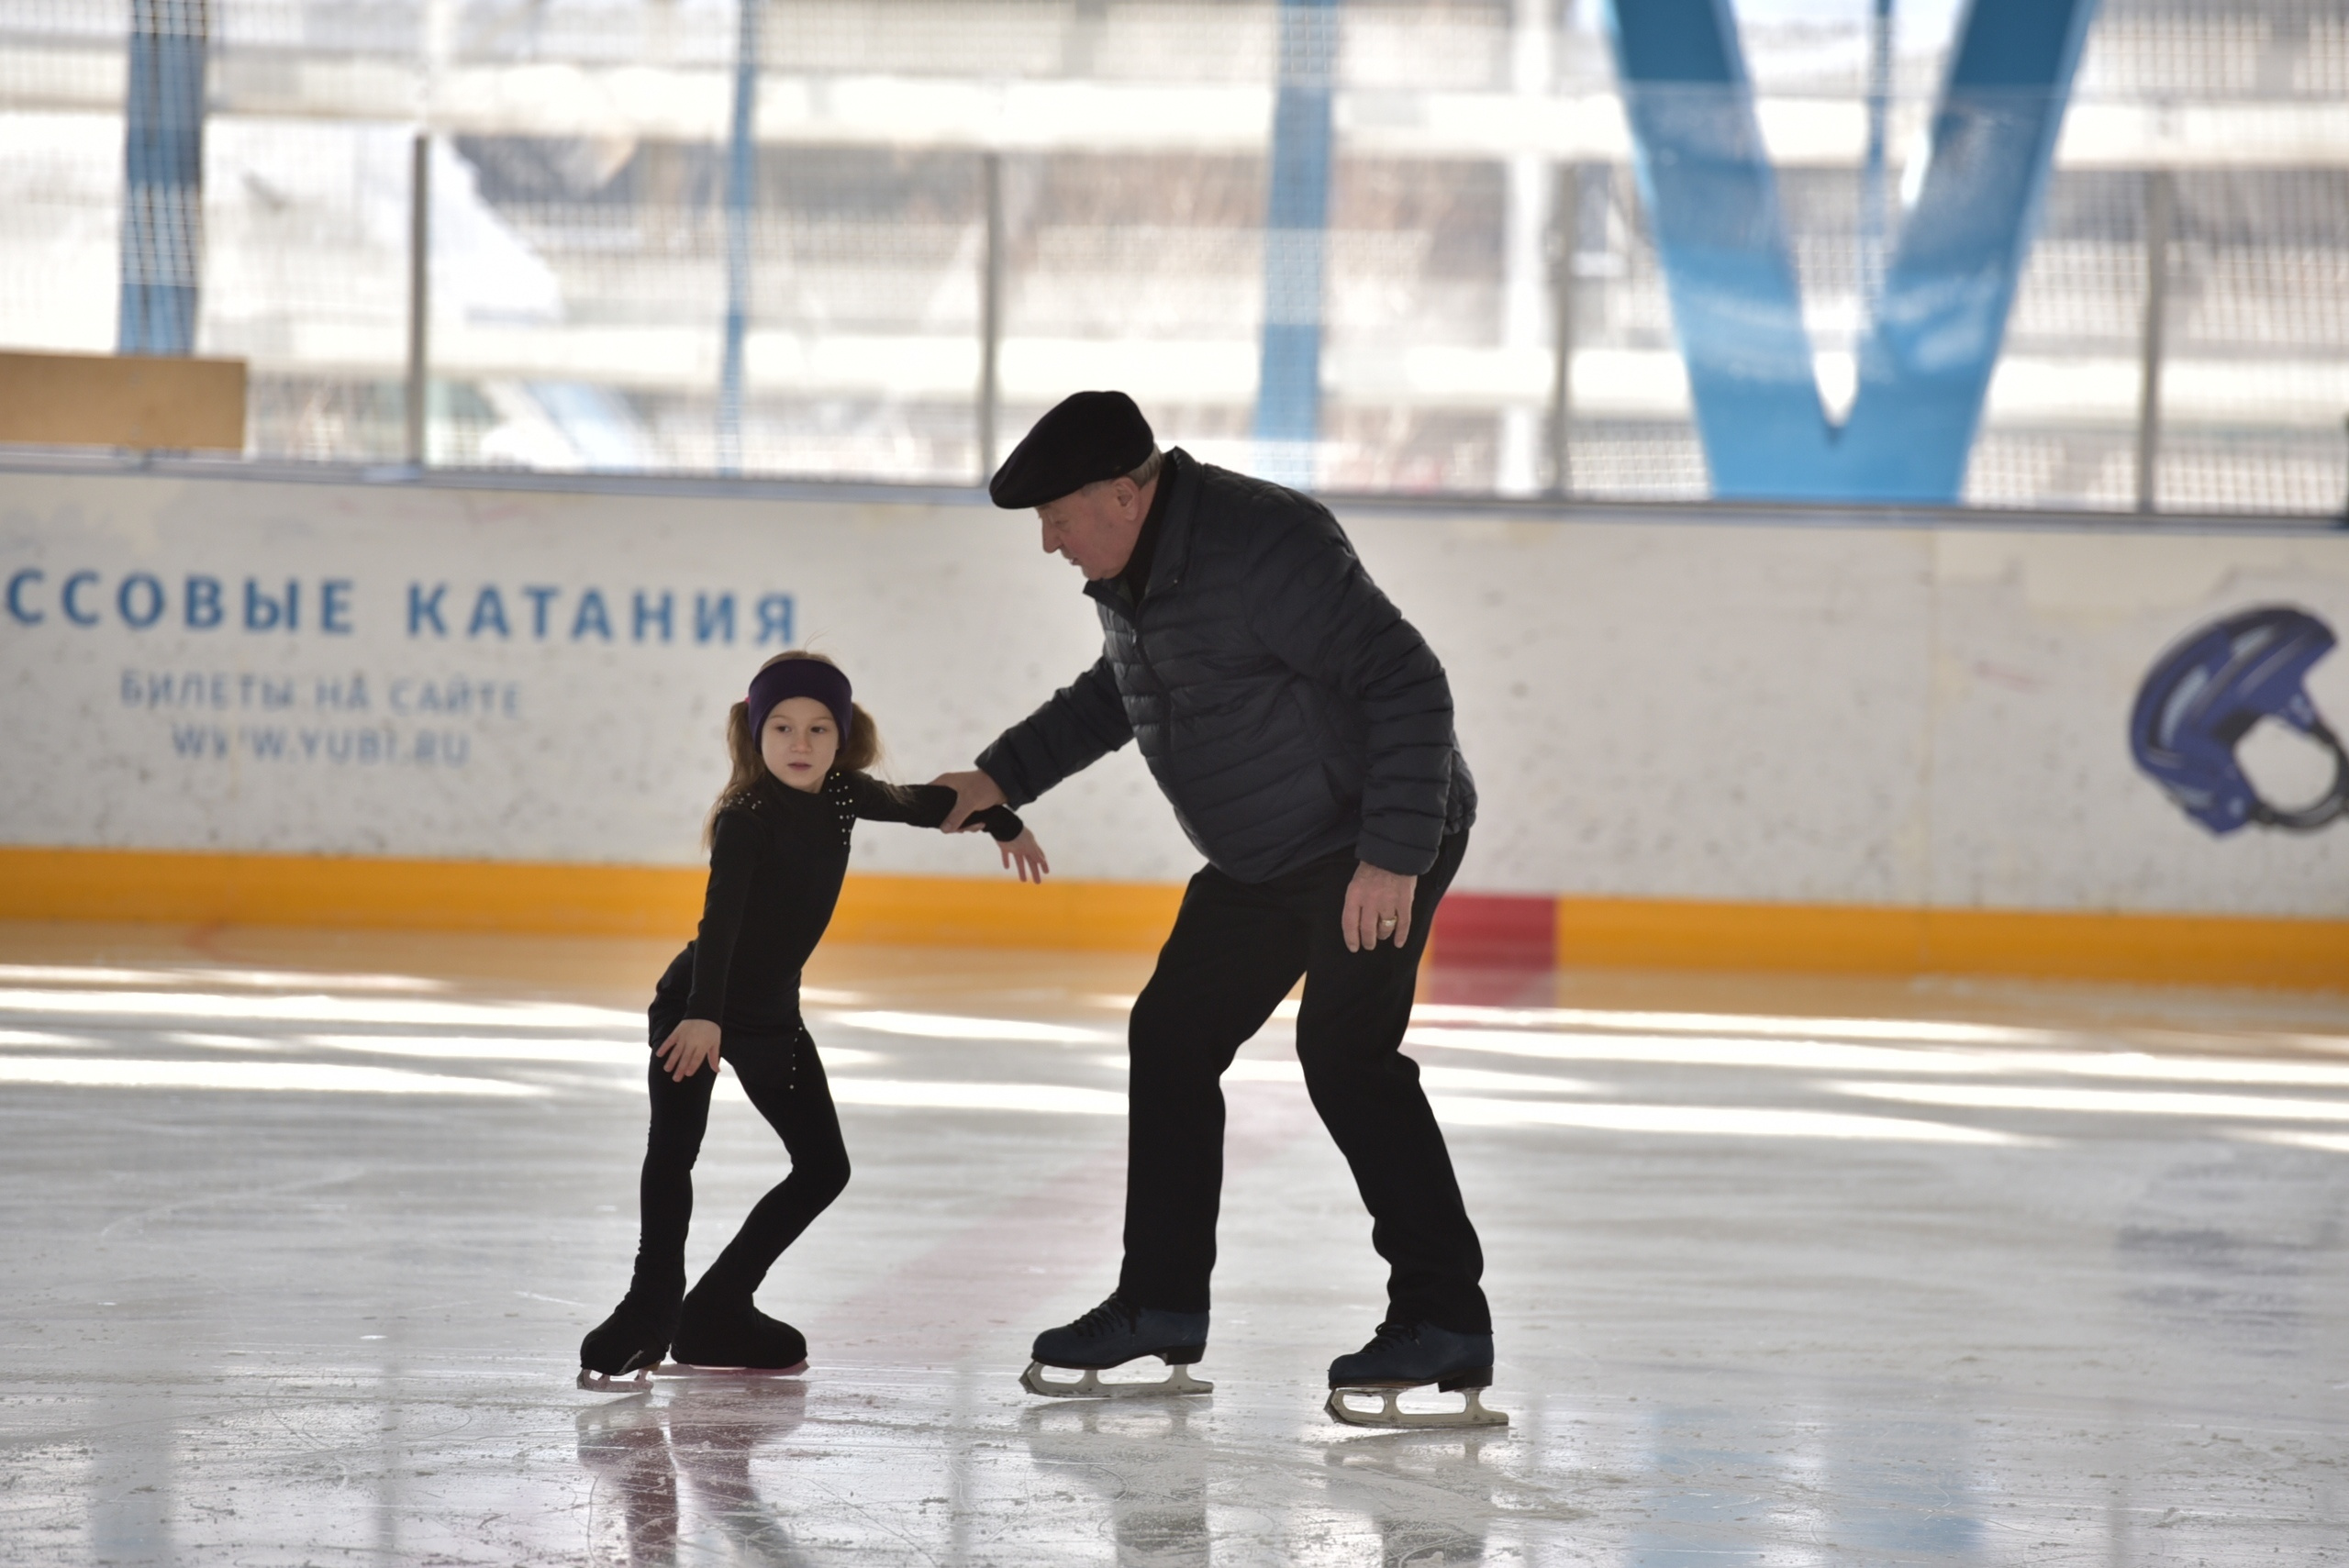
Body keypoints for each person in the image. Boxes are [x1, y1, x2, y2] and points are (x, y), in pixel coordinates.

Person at [930, 391, 1499, 1425]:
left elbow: (1409, 683)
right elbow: (1120, 692)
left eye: (1058, 520)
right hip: (1265, 852)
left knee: (1346, 1055)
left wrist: (1390, 857)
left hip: (1371, 832)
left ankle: (1443, 1315)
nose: (1049, 545)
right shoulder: (1136, 567)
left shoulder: (1263, 541)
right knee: (1173, 1032)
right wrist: (1000, 775)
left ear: (1122, 493)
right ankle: (1158, 1303)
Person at [580, 650, 1047, 1382]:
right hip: (696, 1004)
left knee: (823, 1166)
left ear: (843, 737)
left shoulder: (840, 796)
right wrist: (704, 1016)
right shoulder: (746, 817)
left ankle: (717, 1307)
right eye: (784, 727)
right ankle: (648, 1308)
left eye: (820, 729)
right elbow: (722, 918)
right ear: (755, 735)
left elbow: (924, 803)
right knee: (675, 1150)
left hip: (770, 1019)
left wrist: (1004, 822)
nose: (801, 744)